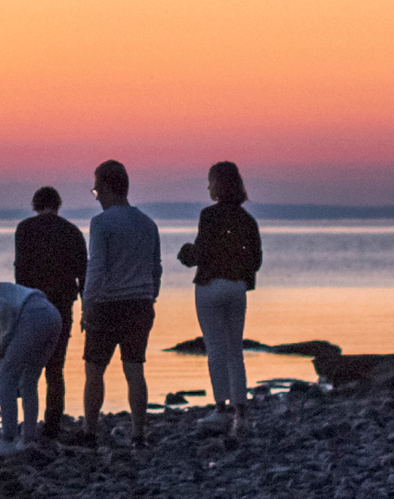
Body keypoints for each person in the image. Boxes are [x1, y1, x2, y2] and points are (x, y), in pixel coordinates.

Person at [80, 160, 162, 448]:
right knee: (134, 369)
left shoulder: (101, 223)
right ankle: (139, 433)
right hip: (139, 304)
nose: (97, 197)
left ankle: (90, 432)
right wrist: (151, 297)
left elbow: (97, 267)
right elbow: (156, 268)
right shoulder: (147, 223)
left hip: (107, 305)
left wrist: (86, 304)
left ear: (107, 187)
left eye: (96, 190)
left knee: (94, 370)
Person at [177, 161, 262, 436]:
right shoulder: (247, 220)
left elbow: (201, 253)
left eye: (210, 181)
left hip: (210, 287)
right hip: (236, 288)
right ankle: (243, 412)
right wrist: (239, 270)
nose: (207, 186)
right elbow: (256, 260)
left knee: (215, 349)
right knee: (235, 350)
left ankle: (221, 409)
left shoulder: (209, 216)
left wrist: (186, 254)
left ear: (218, 185)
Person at [14, 186, 88, 438]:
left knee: (28, 367)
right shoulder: (72, 231)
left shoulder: (24, 229)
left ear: (35, 204)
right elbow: (83, 276)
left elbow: (20, 272)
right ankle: (53, 424)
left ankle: (28, 423)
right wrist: (86, 309)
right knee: (55, 368)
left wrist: (17, 307)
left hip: (32, 304)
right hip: (62, 305)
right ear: (58, 204)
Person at [0, 282, 63, 456]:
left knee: (8, 378)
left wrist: (7, 340)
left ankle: (7, 440)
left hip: (32, 315)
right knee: (29, 380)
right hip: (52, 315)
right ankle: (28, 439)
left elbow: (4, 308)